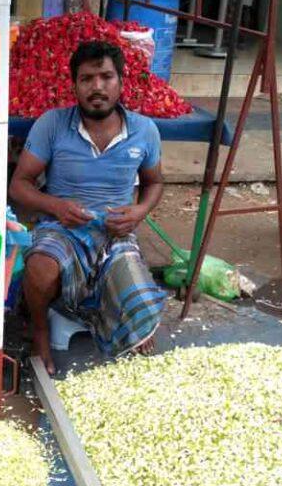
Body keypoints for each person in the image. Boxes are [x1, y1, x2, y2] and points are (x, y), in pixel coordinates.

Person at [10, 41, 167, 375]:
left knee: (143, 308)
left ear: (121, 82)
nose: (97, 87)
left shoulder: (144, 131)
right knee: (40, 268)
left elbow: (154, 183)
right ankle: (39, 328)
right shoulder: (52, 124)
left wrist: (139, 212)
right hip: (62, 228)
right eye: (87, 79)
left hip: (115, 234)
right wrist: (56, 205)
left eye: (106, 77)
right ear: (75, 85)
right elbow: (19, 184)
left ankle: (121, 315)